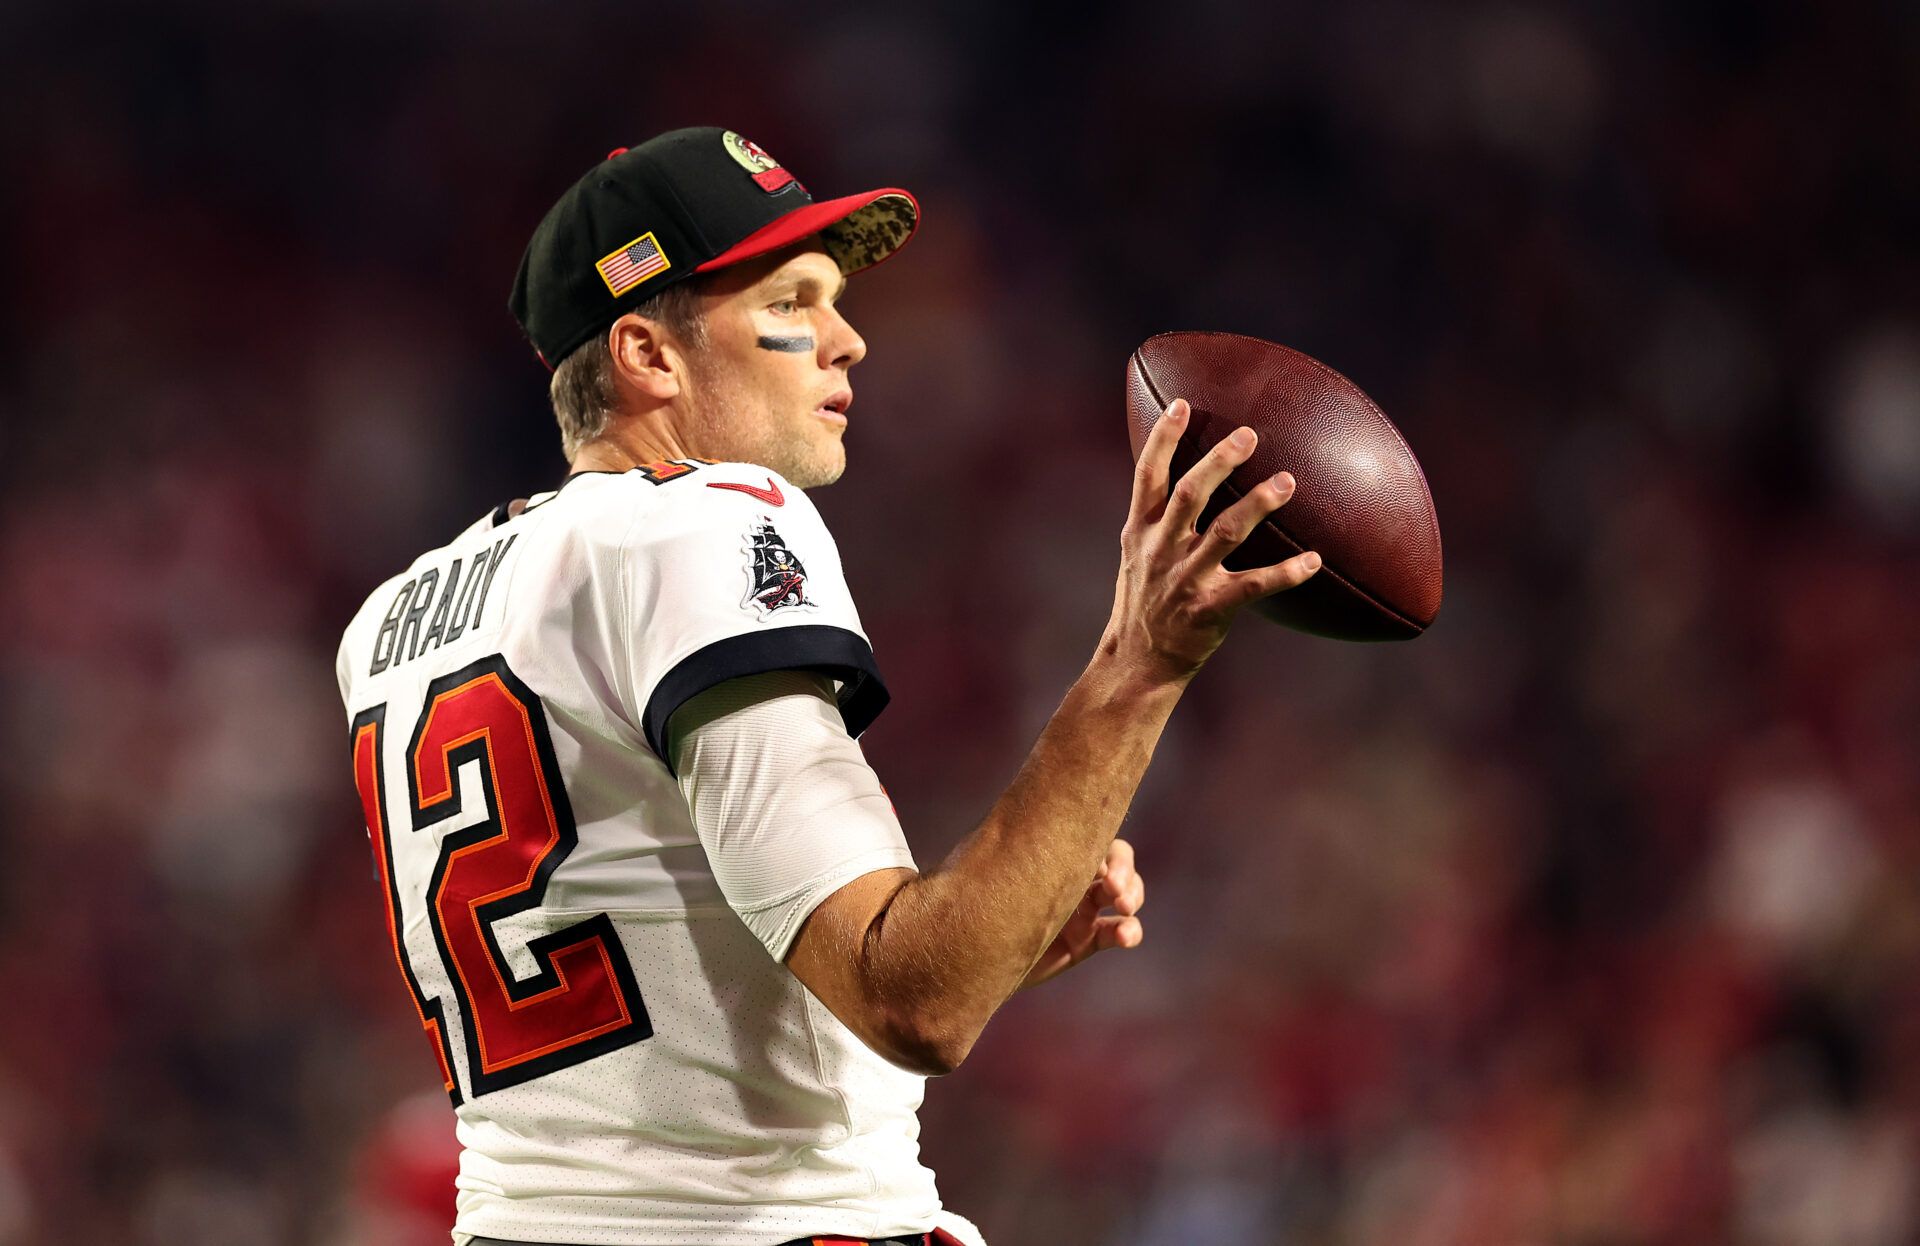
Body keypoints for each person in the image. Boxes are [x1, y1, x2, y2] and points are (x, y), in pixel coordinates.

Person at [335, 126, 1321, 1246]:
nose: (848, 341)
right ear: (650, 355)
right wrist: (1143, 661)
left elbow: (654, 958)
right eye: (795, 302)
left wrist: (992, 925)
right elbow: (916, 1000)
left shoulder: (398, 614)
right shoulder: (703, 521)